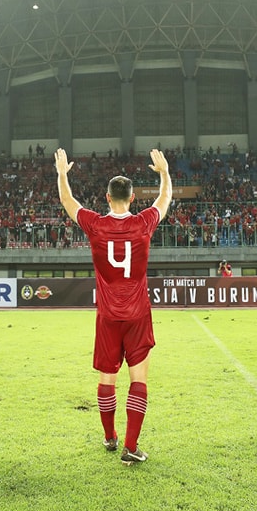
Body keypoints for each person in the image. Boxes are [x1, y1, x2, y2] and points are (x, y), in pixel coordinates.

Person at [55, 148, 172, 466]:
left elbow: (68, 203)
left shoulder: (94, 224)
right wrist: (163, 173)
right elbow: (164, 200)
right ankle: (131, 447)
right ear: (133, 199)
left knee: (108, 378)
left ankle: (110, 437)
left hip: (107, 315)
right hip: (137, 313)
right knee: (139, 379)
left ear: (107, 198)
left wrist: (63, 174)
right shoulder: (144, 223)